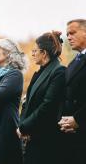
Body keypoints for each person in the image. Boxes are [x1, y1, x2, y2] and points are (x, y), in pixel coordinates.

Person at [17, 31, 66, 164]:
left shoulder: (58, 72)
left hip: (46, 139)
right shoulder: (38, 73)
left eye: (34, 51)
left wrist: (24, 127)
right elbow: (27, 103)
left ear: (44, 53)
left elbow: (47, 105)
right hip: (31, 137)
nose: (32, 54)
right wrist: (22, 125)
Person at [58, 19, 86, 164]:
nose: (68, 37)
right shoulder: (73, 62)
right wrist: (65, 121)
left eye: (72, 33)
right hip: (71, 134)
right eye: (67, 34)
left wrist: (78, 119)